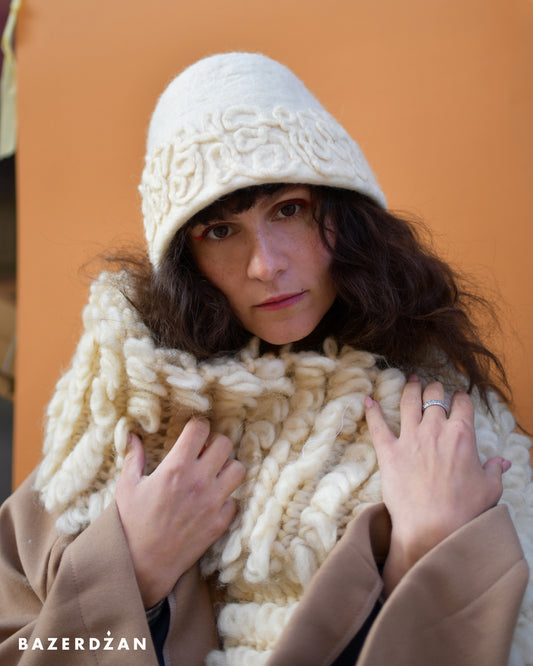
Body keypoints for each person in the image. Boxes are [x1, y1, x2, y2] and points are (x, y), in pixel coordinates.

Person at [0, 52, 531, 666]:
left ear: (347, 216)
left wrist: (426, 550)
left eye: (290, 209)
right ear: (185, 265)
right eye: (220, 231)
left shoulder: (441, 424)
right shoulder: (118, 427)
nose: (266, 264)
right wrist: (128, 576)